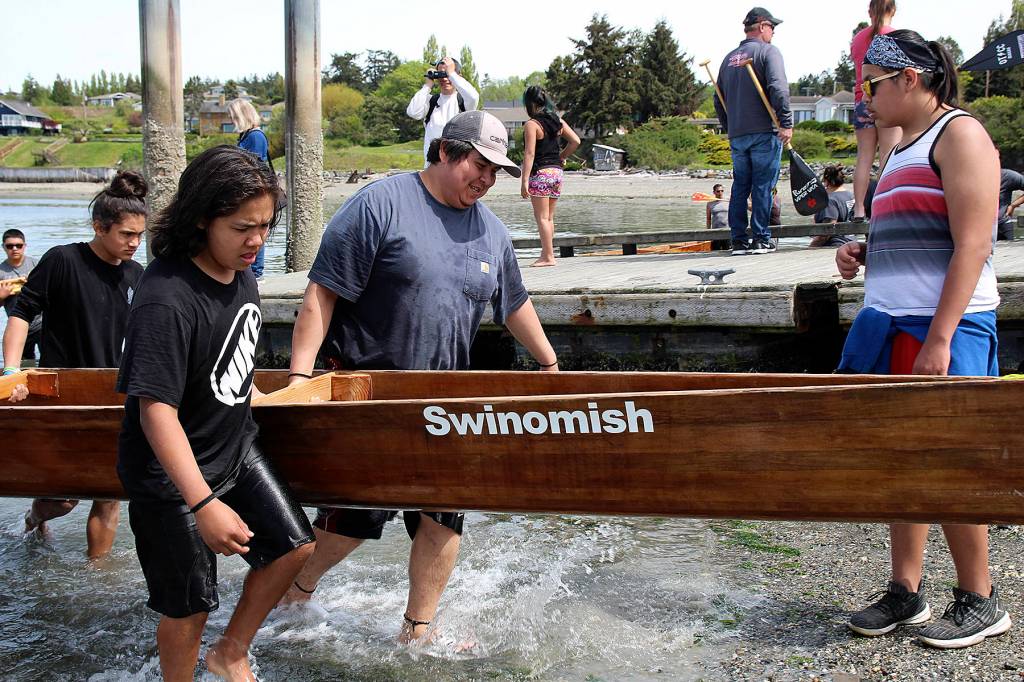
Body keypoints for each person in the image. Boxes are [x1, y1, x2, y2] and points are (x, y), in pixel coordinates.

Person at [280, 111, 559, 644]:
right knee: (354, 520)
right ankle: (297, 588)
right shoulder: (380, 205)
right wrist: (299, 377)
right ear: (446, 152)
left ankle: (418, 628)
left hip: (442, 403)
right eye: (480, 165)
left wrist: (549, 365)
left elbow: (514, 304)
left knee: (443, 514)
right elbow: (322, 293)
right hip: (367, 394)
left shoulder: (491, 232)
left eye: (497, 170)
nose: (487, 179)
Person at [837, 30, 1012, 649]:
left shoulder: (959, 135)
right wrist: (863, 251)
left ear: (909, 79)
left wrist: (940, 340)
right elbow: (919, 231)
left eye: (874, 85)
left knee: (951, 459)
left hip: (944, 327)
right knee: (899, 459)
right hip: (888, 322)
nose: (867, 97)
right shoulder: (902, 148)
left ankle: (980, 598)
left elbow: (974, 245)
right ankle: (907, 591)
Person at [116, 145, 315, 681]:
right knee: (189, 604)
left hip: (234, 447)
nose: (257, 241)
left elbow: (230, 362)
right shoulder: (165, 297)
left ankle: (230, 652)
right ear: (202, 218)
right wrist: (202, 503)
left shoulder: (243, 274)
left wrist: (265, 398)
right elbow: (155, 409)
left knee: (294, 548)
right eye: (241, 227)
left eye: (266, 226)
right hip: (170, 474)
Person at [3, 171, 146, 559]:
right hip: (61, 394)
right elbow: (21, 313)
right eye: (126, 235)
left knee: (110, 494)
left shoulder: (137, 275)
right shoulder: (63, 260)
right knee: (63, 499)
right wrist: (12, 371)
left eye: (139, 236)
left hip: (114, 394)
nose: (135, 244)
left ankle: (95, 574)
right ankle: (36, 518)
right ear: (99, 227)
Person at [714, 6, 793, 256]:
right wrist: (786, 122)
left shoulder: (728, 59)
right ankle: (760, 238)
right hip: (764, 131)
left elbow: (718, 99)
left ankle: (738, 241)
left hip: (738, 135)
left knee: (740, 186)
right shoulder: (769, 52)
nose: (774, 32)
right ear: (761, 26)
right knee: (762, 185)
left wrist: (730, 128)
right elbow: (778, 88)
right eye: (772, 27)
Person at [519, 85, 580, 267]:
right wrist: (560, 157)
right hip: (556, 173)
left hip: (541, 174)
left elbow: (529, 154)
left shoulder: (532, 125)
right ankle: (547, 253)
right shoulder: (558, 121)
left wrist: (524, 181)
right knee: (549, 217)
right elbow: (575, 141)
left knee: (542, 218)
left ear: (529, 104)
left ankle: (548, 257)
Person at [851, 0, 900, 221]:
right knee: (888, 154)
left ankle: (859, 209)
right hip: (888, 99)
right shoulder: (896, 35)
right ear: (894, 11)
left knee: (864, 156)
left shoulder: (859, 38)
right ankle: (884, 205)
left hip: (863, 99)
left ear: (869, 11)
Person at [406, 56, 480, 166]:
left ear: (458, 76)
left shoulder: (463, 102)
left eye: (448, 75)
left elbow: (473, 97)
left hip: (456, 169)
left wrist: (451, 74)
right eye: (441, 74)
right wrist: (428, 85)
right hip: (432, 169)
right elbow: (413, 112)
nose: (445, 79)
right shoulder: (430, 101)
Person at [228, 98, 271, 280]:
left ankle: (255, 272)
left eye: (232, 116)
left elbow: (255, 167)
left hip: (254, 194)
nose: (230, 120)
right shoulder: (247, 136)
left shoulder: (255, 136)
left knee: (255, 232)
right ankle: (251, 271)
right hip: (246, 193)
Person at [0, 229, 41, 361]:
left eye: (19, 245)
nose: (15, 249)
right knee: (24, 362)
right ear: (3, 247)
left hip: (42, 324)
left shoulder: (36, 265)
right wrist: (2, 296)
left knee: (49, 361)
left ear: (25, 246)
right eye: (10, 246)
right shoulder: (1, 272)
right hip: (18, 326)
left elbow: (53, 293)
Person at [810, 165, 855, 247]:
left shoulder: (830, 200)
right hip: (851, 241)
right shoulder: (851, 195)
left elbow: (828, 230)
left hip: (835, 243)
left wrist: (812, 246)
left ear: (826, 181)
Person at [997, 167, 1024, 241]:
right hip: (981, 226)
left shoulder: (1008, 176)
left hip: (1003, 224)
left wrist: (1013, 205)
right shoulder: (972, 177)